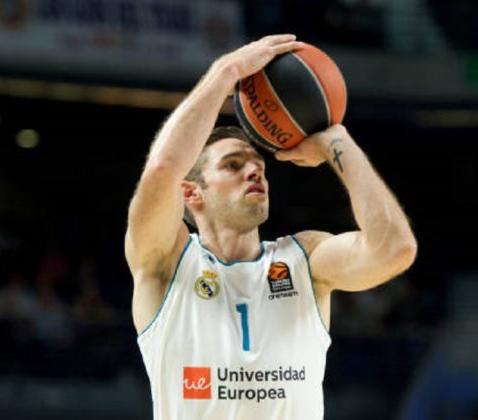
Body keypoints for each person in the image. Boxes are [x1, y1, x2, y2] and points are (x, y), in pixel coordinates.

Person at [124, 34, 417, 420]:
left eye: (258, 165)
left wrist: (337, 142)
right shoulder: (165, 263)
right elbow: (162, 171)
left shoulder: (305, 260)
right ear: (191, 193)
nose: (253, 171)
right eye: (233, 165)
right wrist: (226, 72)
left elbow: (395, 249)